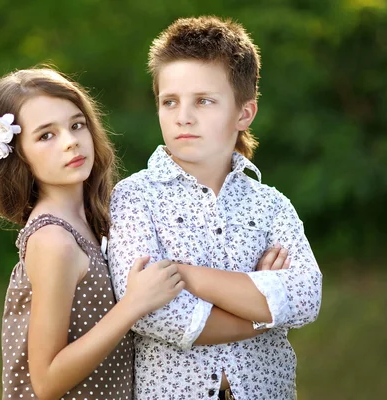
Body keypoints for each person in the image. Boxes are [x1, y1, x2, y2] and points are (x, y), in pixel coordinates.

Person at [108, 16, 323, 400]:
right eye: (169, 101)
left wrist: (185, 275)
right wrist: (262, 308)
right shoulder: (135, 197)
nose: (183, 116)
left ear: (244, 113)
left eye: (204, 101)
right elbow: (152, 312)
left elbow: (306, 297)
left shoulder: (270, 205)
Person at [0, 67, 185, 400]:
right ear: (19, 154)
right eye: (46, 135)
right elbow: (45, 382)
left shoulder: (92, 219)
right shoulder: (53, 240)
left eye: (76, 125)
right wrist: (133, 305)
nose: (71, 141)